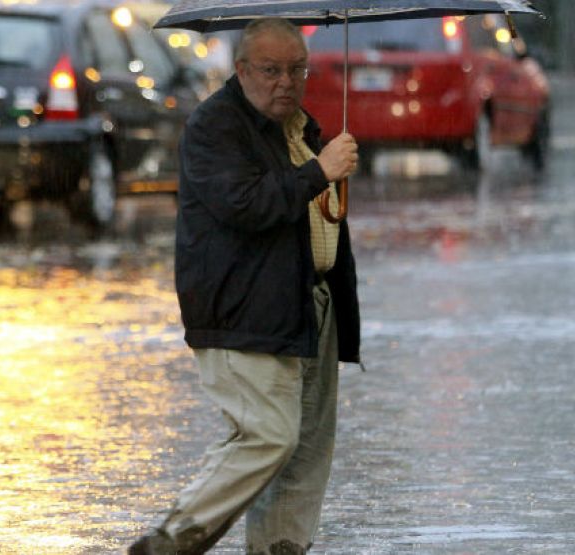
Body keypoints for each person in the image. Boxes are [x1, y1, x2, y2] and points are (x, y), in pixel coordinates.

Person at [128, 17, 361, 555]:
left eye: (297, 69)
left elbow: (311, 211)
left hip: (309, 304)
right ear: (240, 69)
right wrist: (318, 173)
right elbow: (245, 205)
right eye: (271, 70)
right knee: (267, 436)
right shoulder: (216, 126)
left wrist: (325, 172)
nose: (286, 81)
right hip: (244, 311)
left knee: (306, 448)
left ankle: (280, 548)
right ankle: (172, 540)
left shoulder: (300, 127)